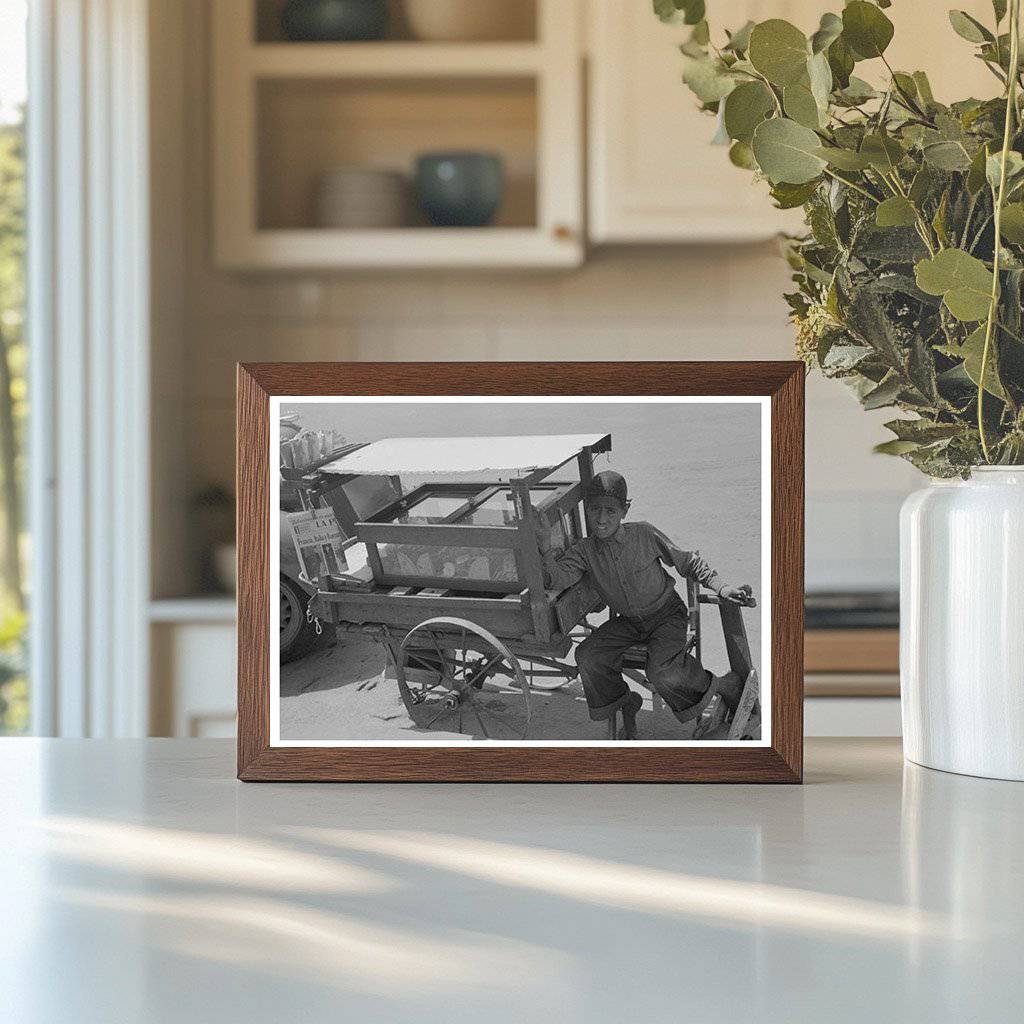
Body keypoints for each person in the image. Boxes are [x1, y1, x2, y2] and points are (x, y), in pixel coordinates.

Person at [538, 470, 753, 740]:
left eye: (610, 511)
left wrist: (723, 587)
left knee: (661, 670)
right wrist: (545, 549)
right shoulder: (585, 550)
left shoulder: (644, 534)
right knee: (588, 656)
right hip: (629, 623)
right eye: (595, 511)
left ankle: (724, 684)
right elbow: (556, 578)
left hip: (666, 616)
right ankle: (626, 702)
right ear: (587, 510)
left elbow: (689, 562)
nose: (602, 520)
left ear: (624, 511)